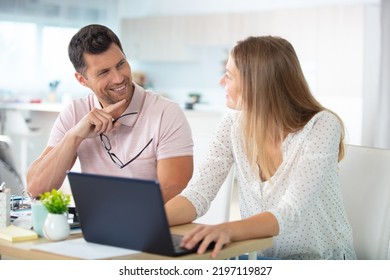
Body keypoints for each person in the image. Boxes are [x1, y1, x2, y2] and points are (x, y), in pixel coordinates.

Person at [165, 36, 357, 260]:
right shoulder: (231, 125)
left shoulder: (321, 125)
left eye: (228, 75)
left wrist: (227, 229)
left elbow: (290, 211)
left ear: (256, 83)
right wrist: (150, 223)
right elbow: (198, 194)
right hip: (261, 259)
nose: (220, 81)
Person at [26, 24, 194, 202]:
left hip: (147, 225)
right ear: (82, 80)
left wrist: (114, 216)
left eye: (121, 64)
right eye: (104, 72)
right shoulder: (75, 112)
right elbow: (36, 189)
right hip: (95, 224)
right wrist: (74, 136)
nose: (119, 78)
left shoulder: (166, 113)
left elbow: (174, 191)